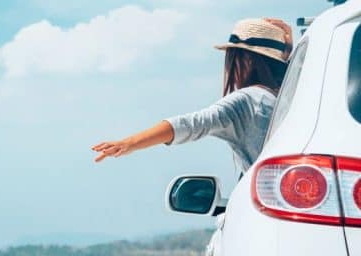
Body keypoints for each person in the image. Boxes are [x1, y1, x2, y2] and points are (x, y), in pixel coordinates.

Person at [91, 18, 293, 175]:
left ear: (245, 59)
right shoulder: (291, 95)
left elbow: (191, 123)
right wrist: (287, 52)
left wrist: (129, 143)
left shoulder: (246, 101)